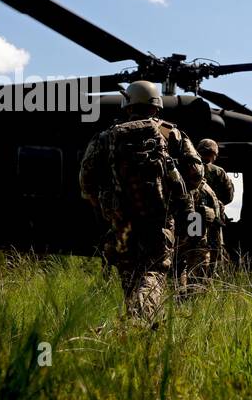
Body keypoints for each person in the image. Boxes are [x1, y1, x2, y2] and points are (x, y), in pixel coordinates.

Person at [79, 81, 203, 322]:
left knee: (130, 275)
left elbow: (86, 182)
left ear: (127, 105)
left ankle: (136, 324)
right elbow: (197, 174)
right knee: (154, 271)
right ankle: (144, 319)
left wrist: (107, 205)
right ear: (156, 106)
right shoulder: (171, 133)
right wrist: (174, 191)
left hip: (121, 222)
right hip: (159, 221)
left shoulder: (106, 137)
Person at [196, 138, 235, 274]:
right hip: (213, 219)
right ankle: (207, 280)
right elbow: (229, 196)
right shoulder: (219, 172)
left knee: (191, 248)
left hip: (191, 217)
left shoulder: (187, 168)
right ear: (214, 154)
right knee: (214, 250)